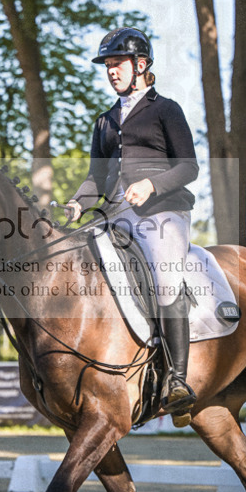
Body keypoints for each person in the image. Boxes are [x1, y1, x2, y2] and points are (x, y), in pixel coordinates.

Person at [65, 26, 199, 412]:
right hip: (115, 215)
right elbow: (95, 178)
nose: (111, 71)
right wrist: (77, 204)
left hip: (163, 212)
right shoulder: (104, 121)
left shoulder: (165, 109)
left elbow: (189, 167)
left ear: (141, 65)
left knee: (163, 272)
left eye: (117, 64)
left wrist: (152, 186)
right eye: (107, 65)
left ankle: (177, 379)